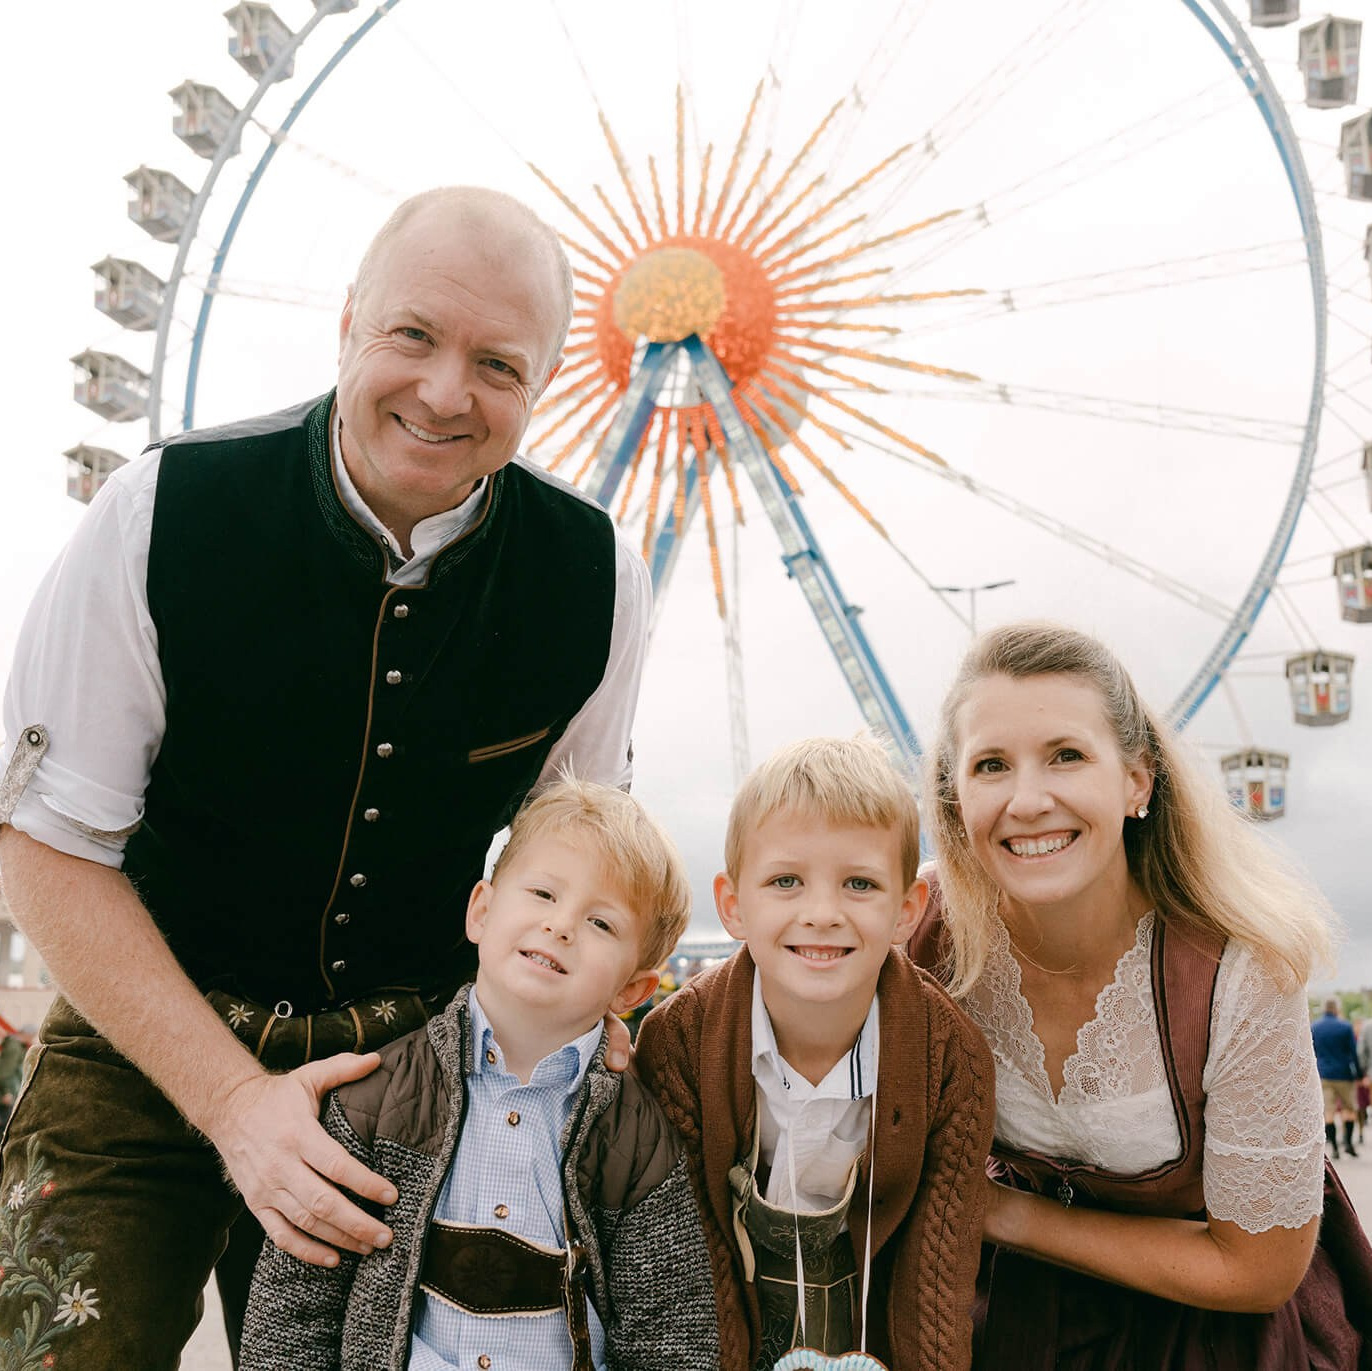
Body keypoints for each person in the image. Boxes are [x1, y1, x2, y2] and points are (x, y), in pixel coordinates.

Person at [0, 185, 650, 1370]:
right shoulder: (162, 510)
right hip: (140, 1037)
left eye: (498, 363)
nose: (446, 391)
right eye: (413, 335)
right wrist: (236, 1105)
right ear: (349, 320)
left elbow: (570, 857)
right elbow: (45, 845)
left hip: (404, 1071)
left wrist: (587, 1017)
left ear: (548, 380)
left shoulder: (595, 577)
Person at [907, 621, 1372, 1370]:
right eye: (991, 765)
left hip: (1207, 1333)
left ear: (1137, 780)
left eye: (1066, 755)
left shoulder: (1237, 968)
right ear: (955, 799)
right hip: (1005, 1327)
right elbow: (774, 985)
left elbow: (1258, 1269)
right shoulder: (919, 928)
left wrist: (1001, 1215)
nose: (1027, 799)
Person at [239, 778, 718, 1371]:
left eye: (601, 924)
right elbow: (295, 1304)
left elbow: (669, 1333)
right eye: (543, 893)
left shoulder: (638, 1142)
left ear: (633, 989)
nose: (561, 925)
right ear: (482, 912)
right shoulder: (375, 1098)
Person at [635, 736, 996, 1371]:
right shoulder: (679, 1044)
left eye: (859, 883)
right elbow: (692, 1261)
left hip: (873, 1330)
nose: (822, 913)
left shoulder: (950, 1058)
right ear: (733, 905)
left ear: (907, 910)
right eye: (786, 882)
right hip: (726, 1328)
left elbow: (934, 1276)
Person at [1314, 996, 1364, 1159]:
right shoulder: (1345, 1027)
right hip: (1344, 1074)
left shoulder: (1315, 1027)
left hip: (1323, 1075)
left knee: (1328, 1111)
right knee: (1349, 1109)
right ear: (1336, 1008)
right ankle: (1348, 1143)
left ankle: (1334, 1147)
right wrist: (1359, 1073)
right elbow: (1353, 1052)